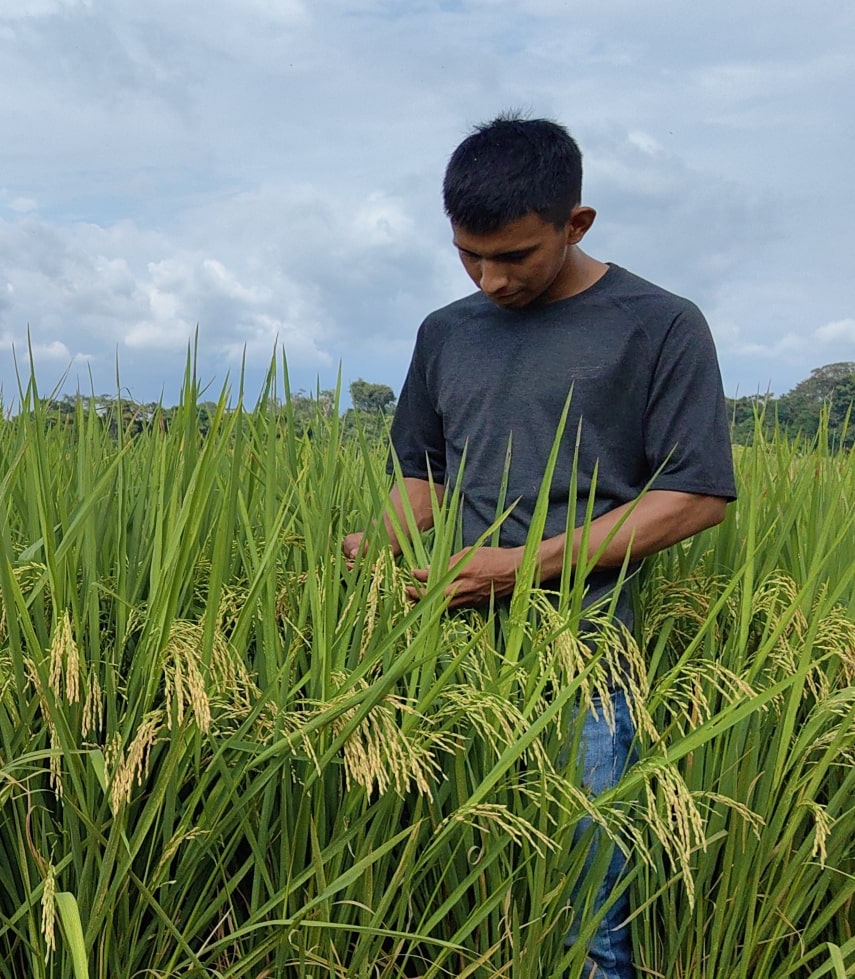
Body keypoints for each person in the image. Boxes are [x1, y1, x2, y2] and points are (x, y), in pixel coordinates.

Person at [340, 116, 734, 976]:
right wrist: (376, 547)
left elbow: (695, 494)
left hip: (585, 656)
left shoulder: (658, 324)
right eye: (468, 256)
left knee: (587, 902)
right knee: (449, 882)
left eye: (513, 256)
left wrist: (517, 569)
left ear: (575, 223)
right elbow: (425, 479)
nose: (490, 279)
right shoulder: (445, 331)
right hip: (445, 650)